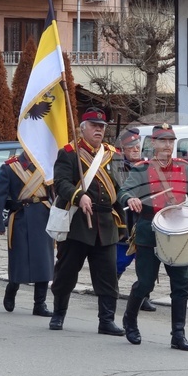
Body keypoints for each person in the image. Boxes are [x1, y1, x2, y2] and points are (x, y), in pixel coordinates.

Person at [120, 123, 188, 350]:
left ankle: (178, 335)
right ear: (153, 143)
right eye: (162, 141)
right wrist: (130, 200)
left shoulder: (183, 168)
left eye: (170, 141)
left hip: (178, 232)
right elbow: (124, 192)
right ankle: (129, 320)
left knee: (181, 285)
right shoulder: (141, 169)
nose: (167, 145)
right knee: (145, 284)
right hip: (149, 230)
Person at [49, 108, 125, 336]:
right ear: (83, 129)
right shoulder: (70, 154)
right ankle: (59, 313)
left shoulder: (113, 155)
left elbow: (122, 186)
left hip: (106, 224)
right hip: (77, 224)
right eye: (94, 126)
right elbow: (60, 183)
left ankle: (107, 320)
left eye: (102, 127)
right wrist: (78, 195)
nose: (99, 130)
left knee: (108, 275)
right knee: (66, 273)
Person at [0, 152, 53, 316]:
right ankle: (12, 288)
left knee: (44, 261)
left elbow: (55, 192)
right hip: (20, 216)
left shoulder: (47, 165)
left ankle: (40, 304)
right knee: (19, 259)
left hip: (43, 215)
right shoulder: (10, 167)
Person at [113, 128, 156, 312]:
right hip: (125, 220)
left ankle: (143, 295)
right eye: (131, 147)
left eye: (138, 146)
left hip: (144, 220)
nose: (136, 149)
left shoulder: (148, 167)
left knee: (146, 263)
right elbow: (119, 190)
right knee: (120, 261)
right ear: (123, 149)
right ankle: (110, 292)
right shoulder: (116, 167)